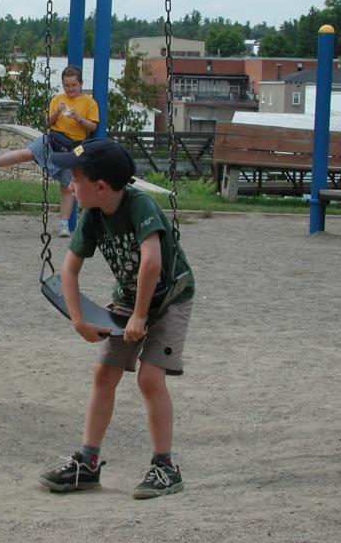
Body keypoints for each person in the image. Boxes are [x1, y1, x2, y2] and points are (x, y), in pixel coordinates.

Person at [37, 138, 195, 499]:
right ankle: (88, 463)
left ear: (100, 186)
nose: (70, 185)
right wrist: (77, 319)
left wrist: (141, 316)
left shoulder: (140, 206)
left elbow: (152, 262)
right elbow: (69, 270)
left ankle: (165, 467)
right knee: (104, 372)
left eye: (75, 179)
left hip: (170, 297)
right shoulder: (92, 213)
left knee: (149, 378)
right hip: (129, 297)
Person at [0, 65, 98, 237]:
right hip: (53, 139)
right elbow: (47, 122)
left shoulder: (89, 102)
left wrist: (78, 118)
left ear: (81, 83)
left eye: (73, 85)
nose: (70, 89)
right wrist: (56, 113)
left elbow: (92, 127)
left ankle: (63, 224)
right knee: (27, 153)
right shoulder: (58, 99)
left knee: (66, 187)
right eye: (66, 85)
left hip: (72, 147)